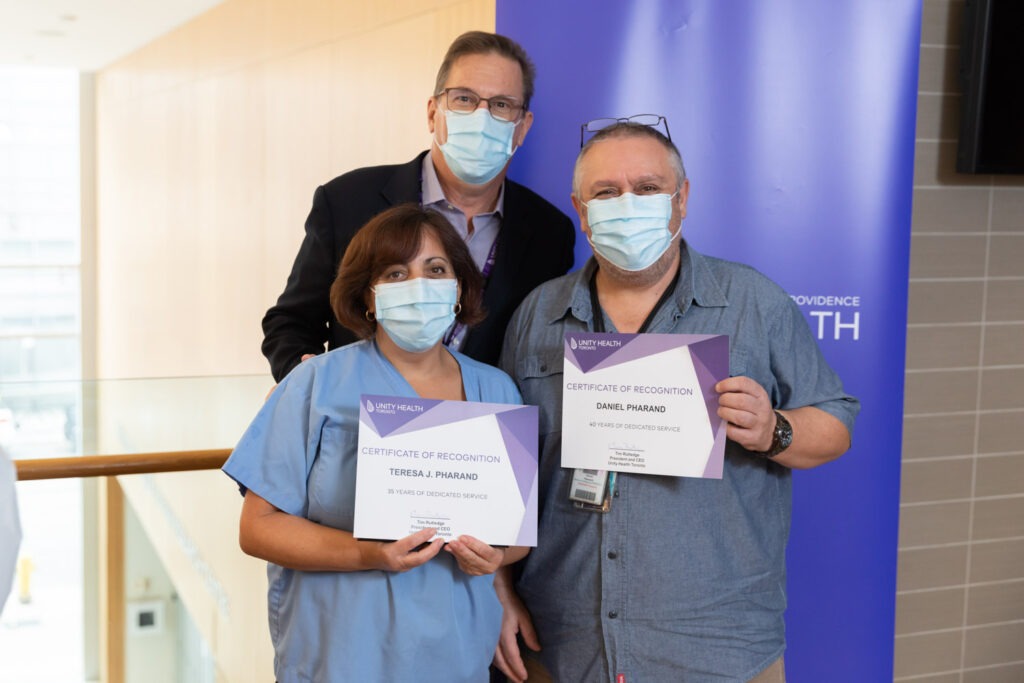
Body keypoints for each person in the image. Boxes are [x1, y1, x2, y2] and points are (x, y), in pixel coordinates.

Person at [493, 120, 860, 683]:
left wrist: (773, 430)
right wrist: (497, 589)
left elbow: (835, 423)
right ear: (580, 210)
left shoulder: (752, 302)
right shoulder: (538, 315)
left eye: (647, 188)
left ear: (681, 198)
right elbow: (500, 475)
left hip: (718, 649)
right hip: (565, 644)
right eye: (606, 193)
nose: (627, 204)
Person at [225, 205, 530, 682]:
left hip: (454, 655)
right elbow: (257, 529)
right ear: (368, 297)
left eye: (436, 270)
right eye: (395, 273)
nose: (418, 286)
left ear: (458, 288)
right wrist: (368, 553)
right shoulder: (313, 384)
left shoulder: (497, 391)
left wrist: (497, 556)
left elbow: (517, 537)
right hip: (340, 656)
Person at [261, 30, 575, 382]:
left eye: (501, 105)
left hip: (485, 414)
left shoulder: (550, 233)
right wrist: (305, 382)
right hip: (359, 411)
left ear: (522, 128)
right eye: (464, 99)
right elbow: (291, 323)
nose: (481, 117)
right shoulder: (347, 200)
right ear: (432, 112)